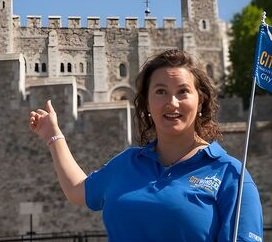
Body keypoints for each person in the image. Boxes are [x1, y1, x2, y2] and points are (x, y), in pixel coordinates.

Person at [29, 49, 263, 242]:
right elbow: (77, 191)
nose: (172, 103)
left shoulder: (230, 175)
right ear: (147, 103)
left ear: (200, 101)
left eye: (183, 92)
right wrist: (53, 135)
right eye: (161, 91)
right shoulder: (127, 163)